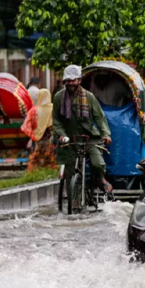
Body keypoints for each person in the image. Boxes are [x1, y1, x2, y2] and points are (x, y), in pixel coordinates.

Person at [53, 65, 113, 194]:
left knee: (98, 164)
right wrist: (62, 135)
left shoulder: (89, 97)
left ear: (79, 81)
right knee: (69, 171)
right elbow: (56, 121)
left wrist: (106, 134)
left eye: (73, 80)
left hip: (89, 139)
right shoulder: (58, 97)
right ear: (64, 82)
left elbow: (100, 118)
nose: (71, 84)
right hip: (69, 140)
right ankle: (73, 197)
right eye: (68, 81)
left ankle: (101, 180)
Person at [22, 89, 56, 172]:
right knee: (50, 158)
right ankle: (50, 172)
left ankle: (34, 174)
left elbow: (26, 125)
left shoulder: (34, 111)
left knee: (35, 158)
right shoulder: (53, 108)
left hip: (36, 139)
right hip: (50, 138)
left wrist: (32, 135)